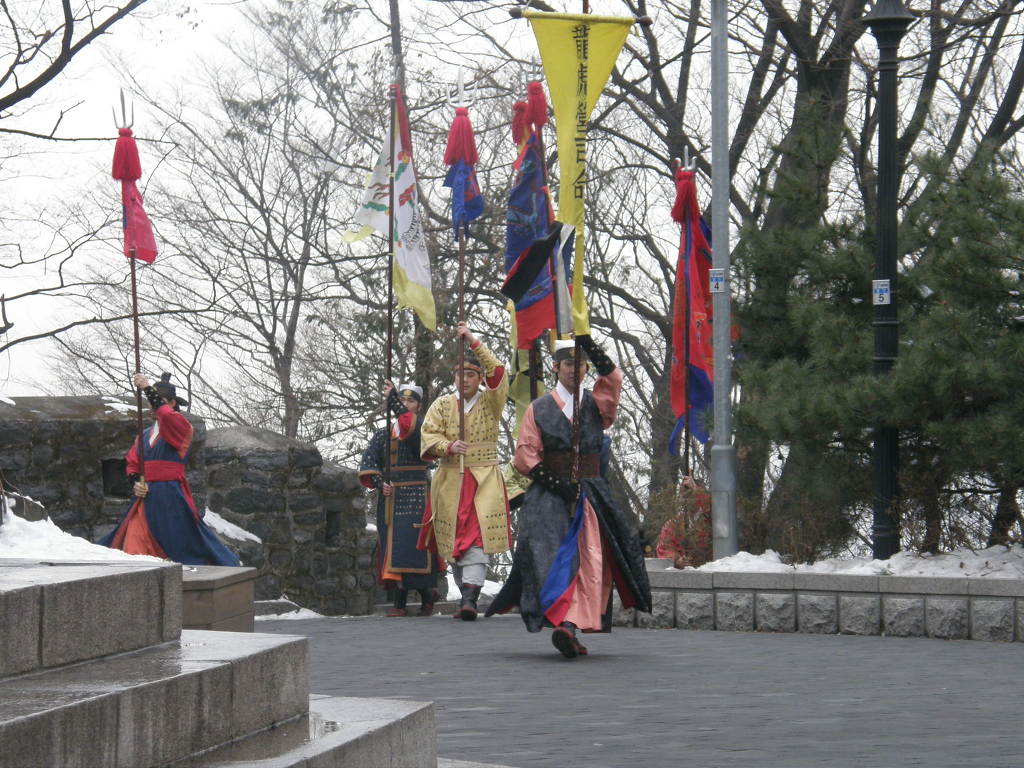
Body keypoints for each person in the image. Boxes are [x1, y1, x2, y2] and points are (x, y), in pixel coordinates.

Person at [486, 336, 652, 658]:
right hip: (550, 496)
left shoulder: (597, 404)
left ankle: (571, 625)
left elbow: (614, 378)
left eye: (579, 364)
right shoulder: (539, 408)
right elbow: (525, 456)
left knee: (590, 561)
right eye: (567, 364)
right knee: (553, 558)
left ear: (586, 367)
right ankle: (565, 621)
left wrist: (587, 342)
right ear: (555, 367)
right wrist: (559, 485)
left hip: (591, 495)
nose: (573, 370)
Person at [420, 322, 511, 621]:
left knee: (476, 536)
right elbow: (428, 435)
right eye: (460, 374)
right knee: (455, 540)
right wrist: (447, 446)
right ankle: (465, 594)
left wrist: (472, 340)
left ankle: (470, 596)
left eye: (471, 374)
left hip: (482, 479)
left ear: (479, 378)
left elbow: (499, 372)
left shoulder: (491, 401)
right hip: (449, 482)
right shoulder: (443, 405)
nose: (465, 379)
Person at [101, 372, 240, 566]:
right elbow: (133, 462)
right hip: (145, 496)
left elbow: (165, 415)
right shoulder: (145, 434)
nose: (152, 405)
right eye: (151, 400)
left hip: (170, 494)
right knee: (134, 541)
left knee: (178, 538)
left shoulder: (181, 427)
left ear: (172, 403)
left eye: (159, 400)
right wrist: (136, 482)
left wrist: (147, 388)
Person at [359, 381, 441, 617]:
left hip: (416, 498)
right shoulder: (382, 435)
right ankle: (400, 602)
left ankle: (427, 596)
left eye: (410, 401)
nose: (405, 405)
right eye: (402, 400)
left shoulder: (423, 431)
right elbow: (368, 463)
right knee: (391, 548)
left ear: (419, 406)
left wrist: (393, 399)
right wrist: (379, 483)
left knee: (415, 546)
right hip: (391, 499)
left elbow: (408, 427)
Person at [655, 475, 713, 569]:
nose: (688, 499)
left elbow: (720, 512)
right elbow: (665, 548)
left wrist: (697, 491)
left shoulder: (711, 518)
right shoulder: (673, 524)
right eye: (684, 495)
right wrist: (677, 560)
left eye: (691, 494)